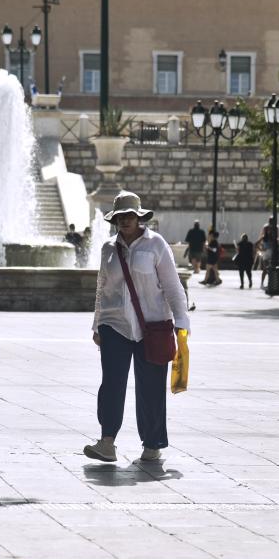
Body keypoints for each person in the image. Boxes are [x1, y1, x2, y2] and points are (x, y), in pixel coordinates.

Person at [84, 191, 190, 463]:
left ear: (139, 217)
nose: (125, 220)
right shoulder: (108, 248)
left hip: (152, 328)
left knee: (151, 387)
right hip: (114, 325)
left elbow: (172, 286)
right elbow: (101, 288)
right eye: (120, 216)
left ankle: (152, 444)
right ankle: (107, 442)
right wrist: (97, 324)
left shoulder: (156, 245)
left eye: (130, 215)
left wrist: (182, 324)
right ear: (115, 219)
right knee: (111, 384)